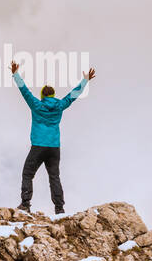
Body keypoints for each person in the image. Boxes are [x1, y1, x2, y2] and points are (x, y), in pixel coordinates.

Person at [10, 60, 96, 214]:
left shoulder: (36, 105)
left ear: (43, 95)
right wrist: (85, 81)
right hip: (54, 147)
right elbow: (72, 95)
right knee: (54, 177)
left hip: (38, 145)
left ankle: (25, 204)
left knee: (28, 174)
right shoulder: (60, 105)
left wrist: (15, 74)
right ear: (53, 95)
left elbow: (25, 91)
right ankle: (59, 208)